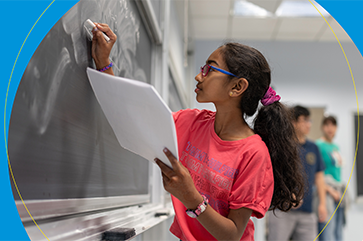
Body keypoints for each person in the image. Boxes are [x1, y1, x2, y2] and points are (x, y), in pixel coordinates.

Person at [91, 23, 306, 241]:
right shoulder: (191, 122)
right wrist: (103, 63)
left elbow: (232, 235)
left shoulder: (254, 153)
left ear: (237, 87)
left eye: (210, 69)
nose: (198, 76)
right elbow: (131, 122)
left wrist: (192, 197)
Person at [267, 105, 328, 241]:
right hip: (282, 211)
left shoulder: (314, 148)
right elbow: (272, 175)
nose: (308, 124)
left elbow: (319, 177)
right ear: (293, 122)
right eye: (304, 120)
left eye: (309, 120)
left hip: (307, 211)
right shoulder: (282, 147)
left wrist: (322, 204)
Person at [316, 115, 345, 241]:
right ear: (322, 127)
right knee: (327, 234)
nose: (330, 128)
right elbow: (316, 173)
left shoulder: (336, 147)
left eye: (333, 125)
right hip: (327, 193)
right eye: (327, 125)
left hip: (338, 193)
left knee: (338, 233)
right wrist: (329, 189)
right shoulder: (318, 145)